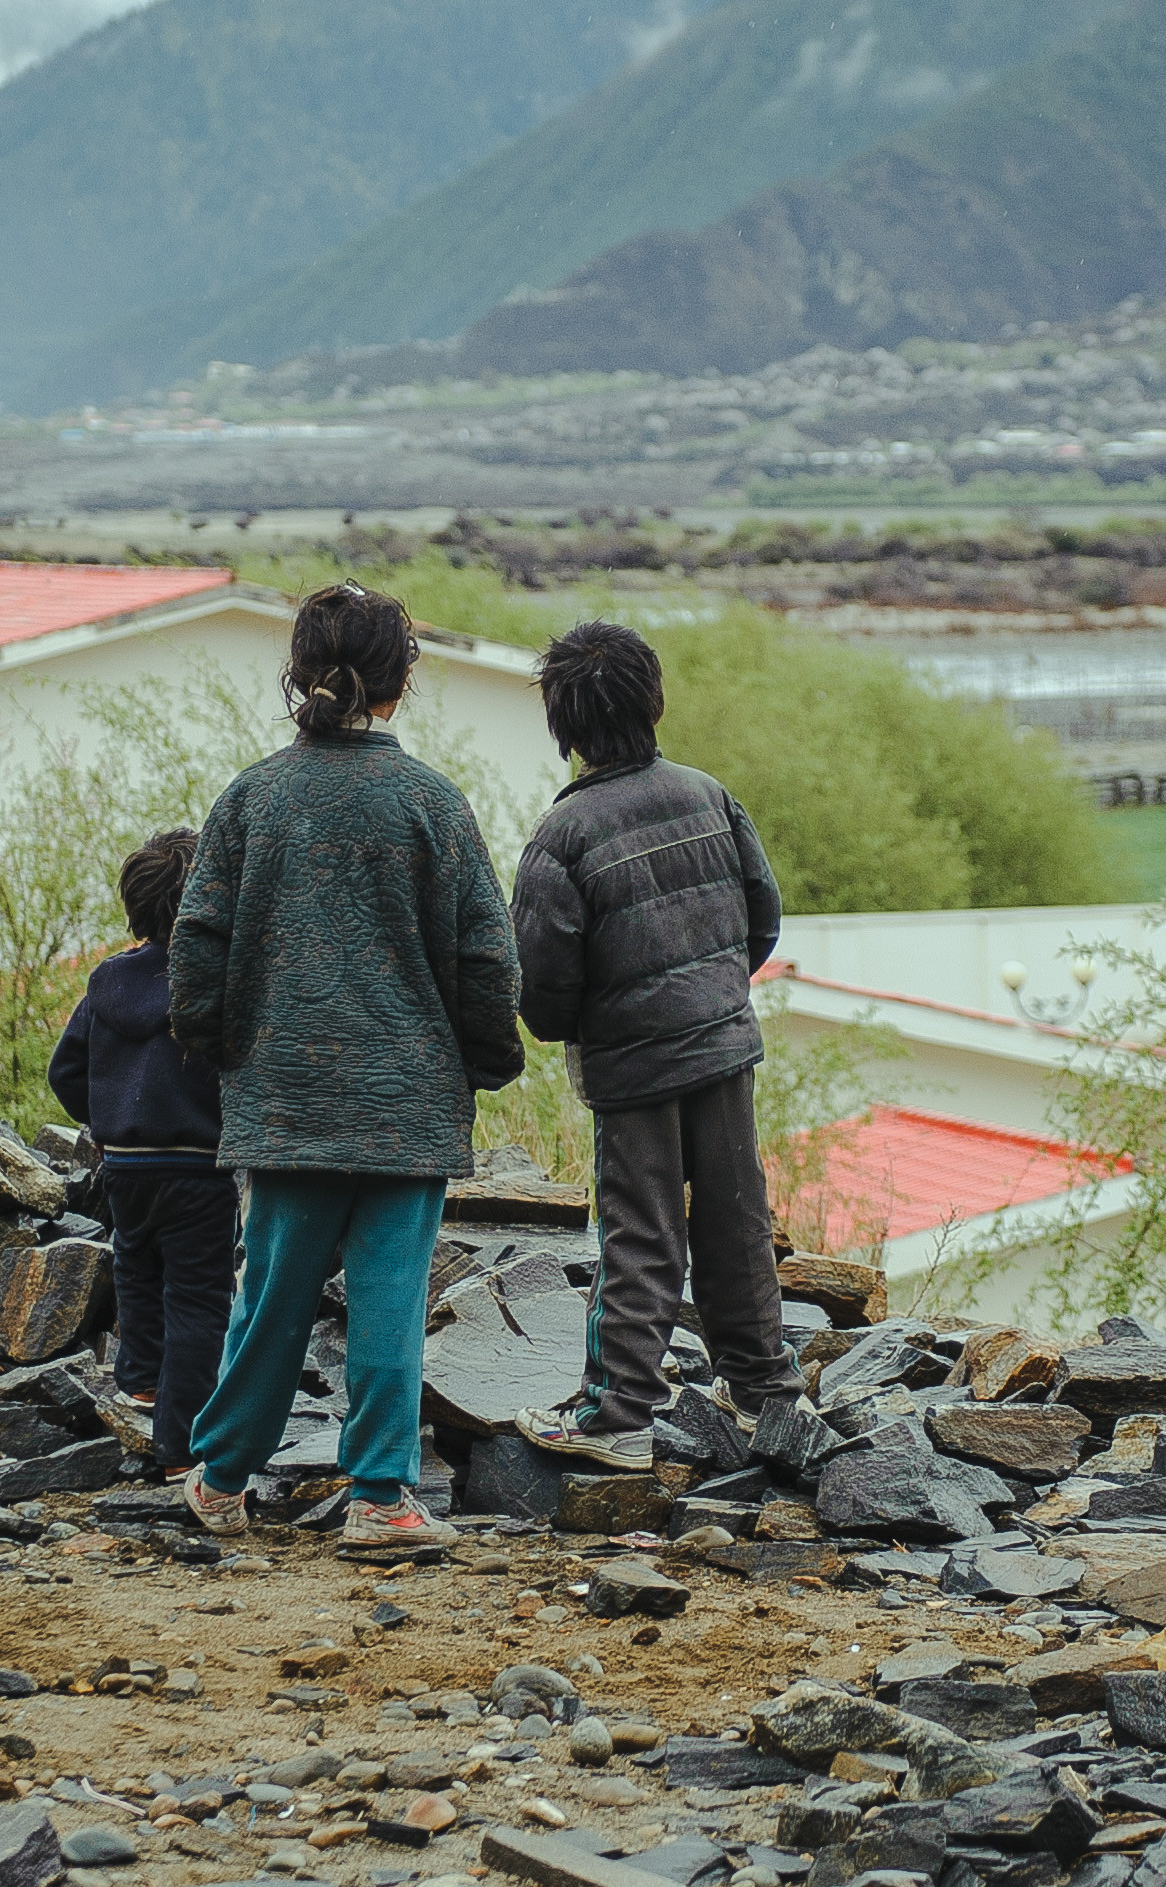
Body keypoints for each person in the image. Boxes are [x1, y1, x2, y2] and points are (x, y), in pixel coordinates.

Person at [167, 583, 526, 1558]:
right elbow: (486, 959)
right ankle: (378, 1498)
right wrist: (486, 1063)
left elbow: (197, 945)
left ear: (298, 675)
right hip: (409, 1104)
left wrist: (224, 1051)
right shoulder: (432, 803)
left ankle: (220, 1478)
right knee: (389, 1304)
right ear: (400, 681)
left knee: (271, 1299)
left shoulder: (251, 797)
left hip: (285, 1099)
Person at [507, 620, 802, 1471]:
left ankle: (615, 1417)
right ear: (653, 701)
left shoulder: (562, 836)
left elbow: (543, 982)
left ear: (564, 724)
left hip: (633, 1067)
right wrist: (714, 990)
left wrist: (579, 1025)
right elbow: (762, 918)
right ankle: (765, 1391)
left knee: (639, 1233)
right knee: (737, 1219)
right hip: (722, 1046)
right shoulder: (709, 796)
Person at [47, 826, 236, 1472]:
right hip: (198, 1166)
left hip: (125, 1163)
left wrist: (107, 1118)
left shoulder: (107, 982)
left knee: (136, 1262)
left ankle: (140, 1376)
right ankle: (181, 1445)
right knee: (200, 1297)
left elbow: (64, 1072)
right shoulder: (210, 982)